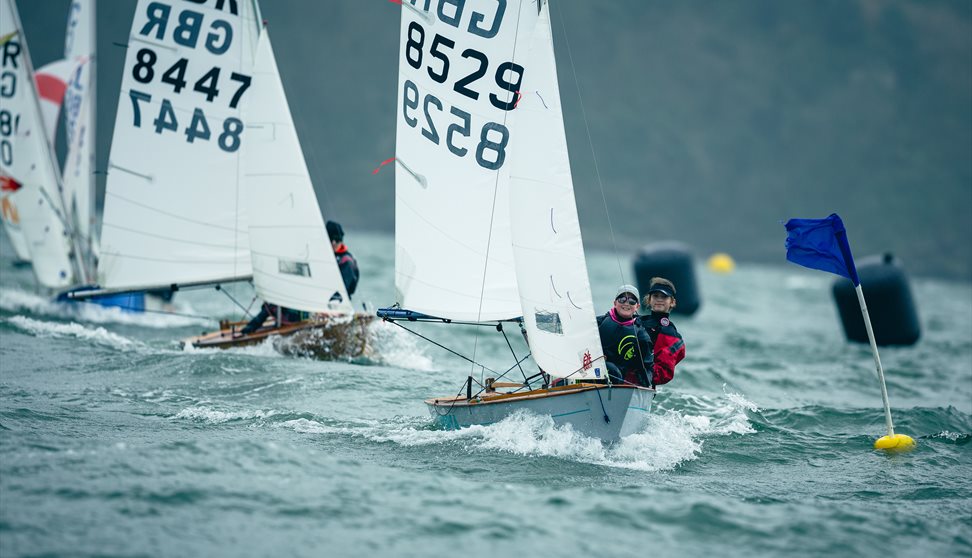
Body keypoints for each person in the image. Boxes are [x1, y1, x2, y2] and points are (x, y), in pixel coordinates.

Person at [596, 284, 654, 386]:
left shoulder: (641, 336)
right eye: (622, 299)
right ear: (615, 303)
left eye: (632, 301)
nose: (627, 303)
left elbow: (647, 367)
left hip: (617, 379)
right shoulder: (598, 323)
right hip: (592, 369)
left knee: (612, 371)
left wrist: (646, 387)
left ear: (637, 306)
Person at [638, 277, 685, 387]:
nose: (659, 299)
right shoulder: (636, 321)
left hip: (642, 385)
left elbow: (663, 374)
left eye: (664, 297)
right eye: (655, 296)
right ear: (649, 300)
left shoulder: (670, 334)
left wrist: (640, 371)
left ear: (672, 302)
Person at [326, 220, 359, 298]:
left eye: (337, 239)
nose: (334, 242)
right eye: (330, 238)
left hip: (338, 302)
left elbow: (344, 289)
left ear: (341, 241)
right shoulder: (321, 255)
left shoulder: (346, 261)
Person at [240, 302, 304, 335]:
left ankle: (251, 327)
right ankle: (250, 327)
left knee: (269, 308)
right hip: (290, 322)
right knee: (269, 308)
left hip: (294, 320)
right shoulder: (273, 306)